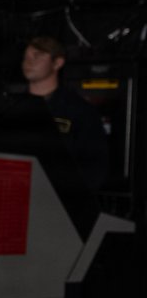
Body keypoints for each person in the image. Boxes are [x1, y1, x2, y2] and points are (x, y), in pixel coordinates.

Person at [22, 35, 108, 190]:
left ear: (57, 63)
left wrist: (68, 190)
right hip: (17, 191)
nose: (29, 62)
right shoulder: (12, 106)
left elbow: (95, 167)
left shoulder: (79, 111)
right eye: (26, 57)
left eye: (37, 56)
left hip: (59, 196)